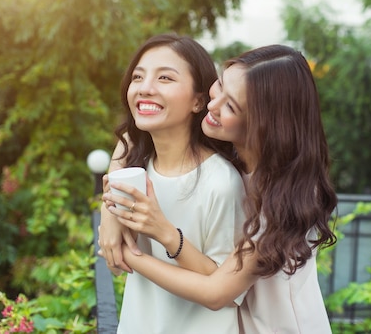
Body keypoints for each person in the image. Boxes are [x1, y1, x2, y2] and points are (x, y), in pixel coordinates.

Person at [103, 44, 338, 333]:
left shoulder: (282, 200)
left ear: (263, 124)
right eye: (220, 87)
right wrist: (109, 211)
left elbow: (216, 291)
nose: (213, 107)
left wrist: (129, 253)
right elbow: (131, 136)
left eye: (230, 106)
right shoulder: (237, 155)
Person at [100, 33, 246, 334]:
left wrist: (162, 233)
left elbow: (226, 290)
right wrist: (109, 216)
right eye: (138, 77)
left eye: (165, 78)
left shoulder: (220, 183)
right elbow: (113, 263)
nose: (145, 88)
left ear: (198, 101)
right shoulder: (136, 167)